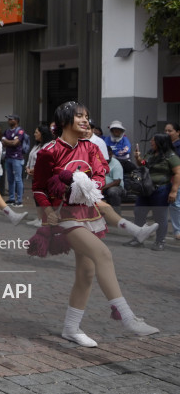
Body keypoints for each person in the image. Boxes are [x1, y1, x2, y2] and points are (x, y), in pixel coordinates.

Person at [32, 101, 159, 347]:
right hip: (64, 215)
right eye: (79, 116)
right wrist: (47, 209)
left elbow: (100, 174)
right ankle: (126, 316)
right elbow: (38, 187)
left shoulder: (90, 147)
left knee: (87, 273)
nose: (85, 120)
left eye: (87, 116)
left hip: (89, 213)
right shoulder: (49, 151)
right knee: (103, 254)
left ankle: (71, 328)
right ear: (64, 120)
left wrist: (88, 185)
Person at [127, 134, 180, 251]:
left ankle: (160, 241)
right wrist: (138, 158)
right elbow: (143, 164)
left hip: (161, 190)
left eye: (153, 141)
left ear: (161, 142)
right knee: (139, 213)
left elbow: (178, 173)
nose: (151, 142)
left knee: (160, 217)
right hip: (145, 189)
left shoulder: (171, 156)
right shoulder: (151, 153)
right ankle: (138, 239)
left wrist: (174, 191)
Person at [1, 114, 27, 207]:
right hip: (8, 157)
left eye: (11, 119)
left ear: (16, 121)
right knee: (10, 179)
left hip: (17, 158)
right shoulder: (7, 131)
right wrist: (10, 142)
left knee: (18, 179)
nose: (8, 121)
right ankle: (11, 198)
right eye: (8, 119)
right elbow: (4, 143)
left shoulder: (20, 131)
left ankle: (19, 200)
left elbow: (15, 143)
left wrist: (7, 141)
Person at [165, 122, 180, 240]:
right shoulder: (165, 146)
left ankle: (178, 230)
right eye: (165, 131)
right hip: (167, 179)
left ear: (178, 132)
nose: (167, 133)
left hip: (176, 179)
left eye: (170, 131)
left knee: (176, 204)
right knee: (174, 205)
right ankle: (177, 231)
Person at [101, 147, 125, 215]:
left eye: (110, 154)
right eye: (106, 155)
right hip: (102, 186)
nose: (108, 156)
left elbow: (117, 182)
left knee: (112, 191)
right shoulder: (99, 162)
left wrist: (102, 188)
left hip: (116, 187)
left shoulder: (116, 164)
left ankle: (116, 214)